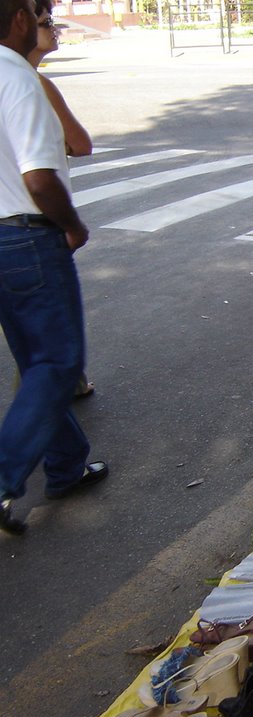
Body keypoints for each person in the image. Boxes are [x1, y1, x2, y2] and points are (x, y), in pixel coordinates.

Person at [0, 0, 107, 535]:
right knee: (58, 364)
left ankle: (65, 466)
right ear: (19, 18)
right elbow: (40, 177)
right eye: (39, 15)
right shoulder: (18, 80)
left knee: (36, 359)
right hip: (23, 237)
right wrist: (73, 226)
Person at [31, 0, 95, 399]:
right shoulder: (30, 82)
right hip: (29, 227)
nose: (54, 28)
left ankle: (64, 455)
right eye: (44, 21)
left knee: (37, 338)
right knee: (51, 349)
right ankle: (15, 458)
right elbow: (79, 143)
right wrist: (73, 226)